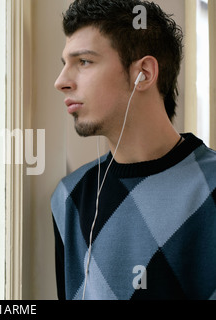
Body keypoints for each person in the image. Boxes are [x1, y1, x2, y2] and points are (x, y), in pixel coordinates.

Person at [51, 0, 216, 300]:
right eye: (64, 63)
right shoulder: (69, 198)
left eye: (84, 61)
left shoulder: (212, 187)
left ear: (144, 73)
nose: (61, 82)